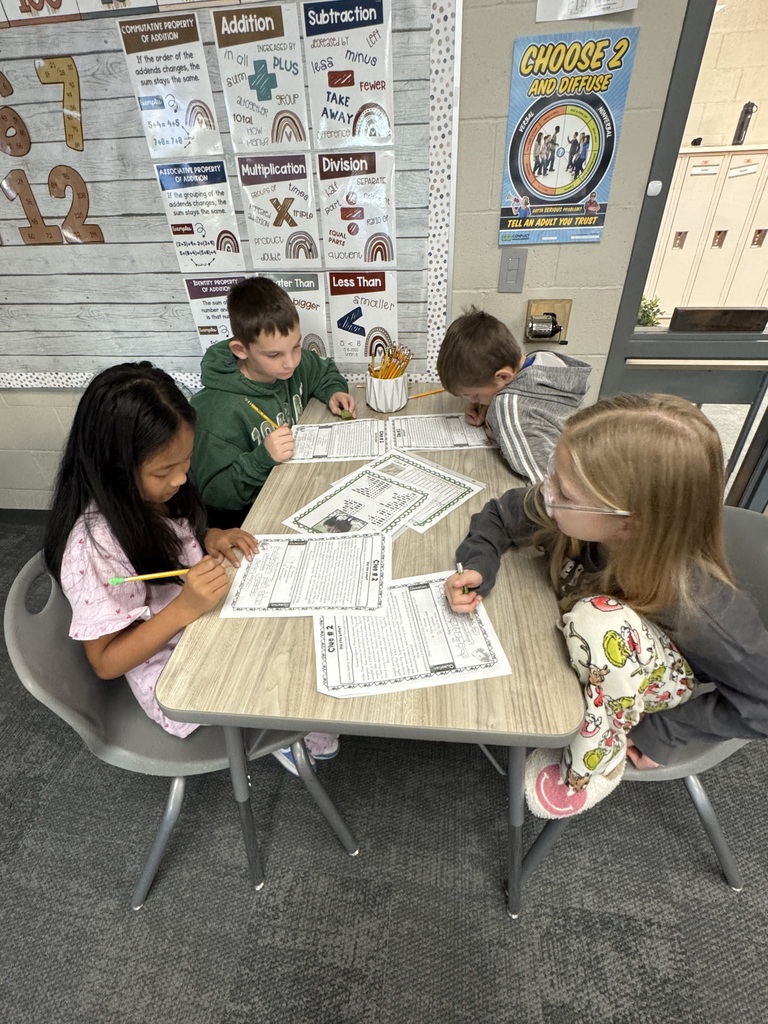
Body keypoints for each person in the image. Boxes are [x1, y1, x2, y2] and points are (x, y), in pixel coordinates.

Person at [444, 394, 768, 818]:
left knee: (596, 621)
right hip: (578, 660)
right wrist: (479, 565)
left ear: (627, 523)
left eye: (564, 489)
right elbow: (501, 514)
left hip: (643, 687)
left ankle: (599, 756)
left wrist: (665, 733)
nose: (547, 490)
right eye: (554, 474)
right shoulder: (575, 510)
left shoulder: (703, 609)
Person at [43, 362, 336, 775]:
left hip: (204, 620)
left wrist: (208, 536)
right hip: (174, 674)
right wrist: (184, 608)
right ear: (114, 469)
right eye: (165, 471)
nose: (182, 478)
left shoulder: (154, 495)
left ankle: (286, 713)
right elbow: (105, 662)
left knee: (303, 614)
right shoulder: (95, 547)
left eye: (186, 462)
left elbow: (172, 536)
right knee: (293, 662)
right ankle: (276, 728)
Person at [190, 277, 356, 530]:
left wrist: (333, 391)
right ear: (240, 350)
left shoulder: (292, 365)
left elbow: (323, 371)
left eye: (296, 346)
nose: (291, 362)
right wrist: (262, 458)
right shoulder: (215, 412)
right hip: (250, 521)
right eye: (275, 354)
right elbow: (215, 495)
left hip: (297, 489)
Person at [435, 307, 591, 483]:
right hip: (588, 456)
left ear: (503, 376)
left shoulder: (511, 408)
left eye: (474, 395)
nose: (472, 401)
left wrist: (499, 428)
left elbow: (547, 485)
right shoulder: (545, 359)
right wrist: (485, 402)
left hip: (566, 484)